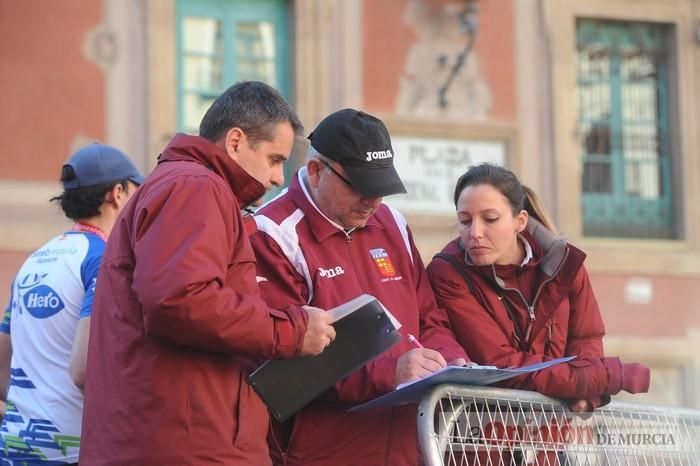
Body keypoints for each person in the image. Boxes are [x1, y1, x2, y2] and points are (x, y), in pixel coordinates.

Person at [79, 82, 336, 466]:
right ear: (235, 142)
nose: (279, 177)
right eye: (274, 159)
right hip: (186, 443)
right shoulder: (195, 186)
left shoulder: (186, 185)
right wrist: (293, 330)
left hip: (179, 435)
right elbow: (181, 300)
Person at [250, 108, 469, 466]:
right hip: (326, 452)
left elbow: (428, 318)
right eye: (360, 187)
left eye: (382, 189)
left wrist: (450, 360)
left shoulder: (392, 223)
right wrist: (392, 372)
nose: (374, 202)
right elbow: (281, 362)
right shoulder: (272, 233)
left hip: (405, 448)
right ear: (316, 170)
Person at [427, 163, 650, 406]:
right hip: (480, 433)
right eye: (465, 221)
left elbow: (587, 340)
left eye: (490, 219)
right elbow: (501, 364)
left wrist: (587, 394)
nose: (475, 232)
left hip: (550, 433)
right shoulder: (448, 273)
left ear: (520, 221)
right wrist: (610, 376)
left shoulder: (565, 264)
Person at [0, 143, 143, 465]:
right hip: (73, 450)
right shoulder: (105, 261)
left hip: (14, 444)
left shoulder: (33, 261)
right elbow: (83, 370)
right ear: (117, 193)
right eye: (137, 191)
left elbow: (0, 368)